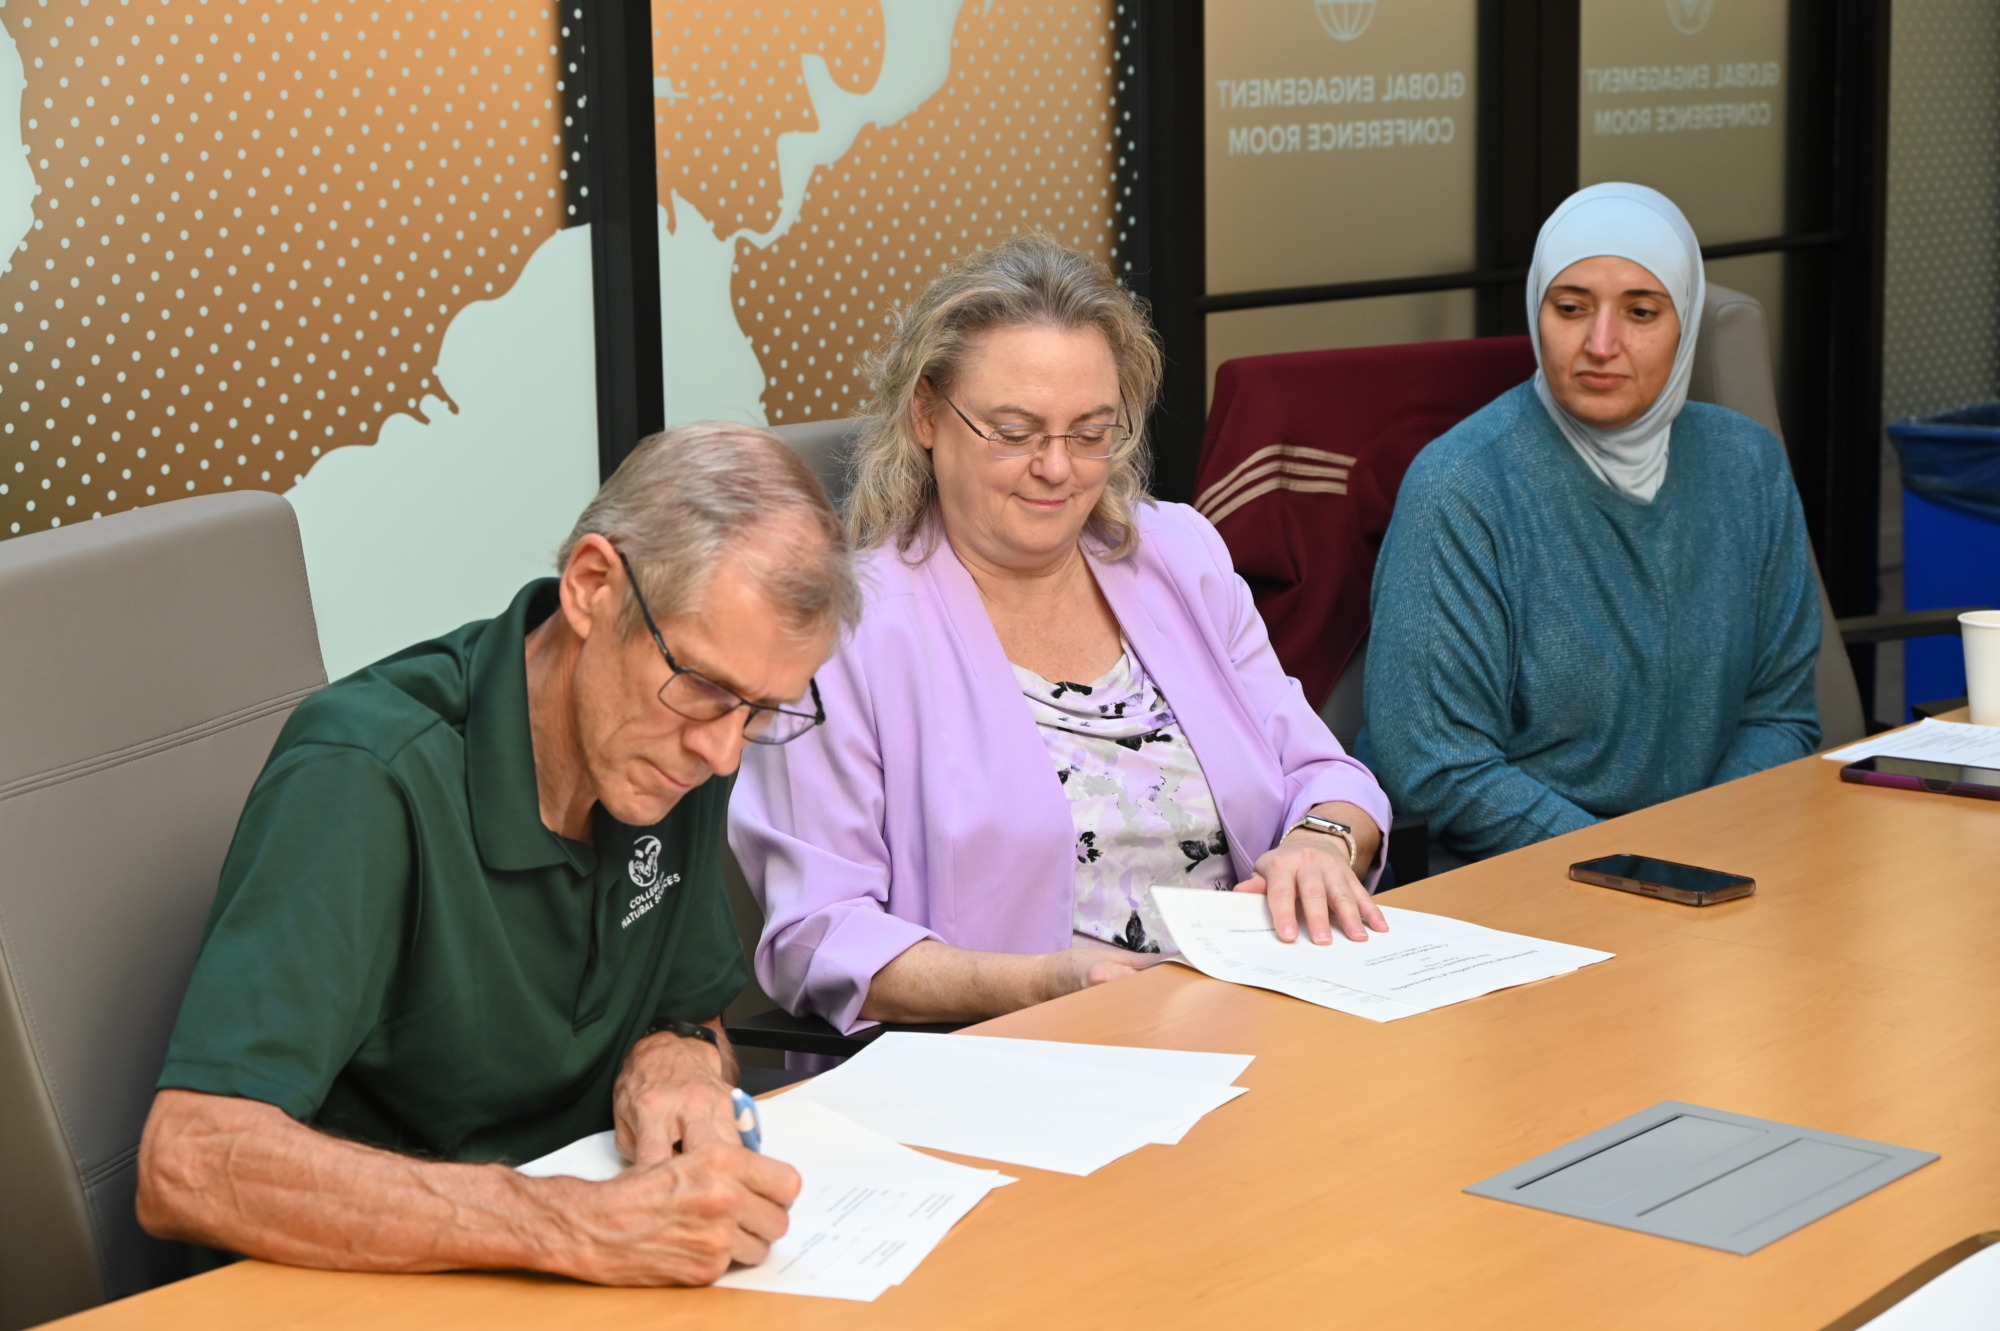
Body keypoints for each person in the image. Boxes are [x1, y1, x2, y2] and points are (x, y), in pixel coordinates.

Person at [136, 423, 860, 1286]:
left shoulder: (673, 742)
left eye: (762, 711)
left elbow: (686, 1006)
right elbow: (189, 1159)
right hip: (349, 1286)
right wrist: (572, 1225)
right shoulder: (368, 777)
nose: (725, 754)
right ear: (592, 586)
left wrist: (680, 1056)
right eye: (704, 687)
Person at [728, 235, 1392, 1037]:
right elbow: (820, 935)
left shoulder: (1176, 554)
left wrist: (1322, 843)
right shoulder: (844, 629)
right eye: (1015, 432)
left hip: (1255, 1017)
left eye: (1090, 432)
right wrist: (1038, 985)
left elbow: (1324, 772)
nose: (1058, 468)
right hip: (1019, 1057)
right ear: (927, 415)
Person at [1361, 183, 1821, 863]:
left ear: (1686, 321)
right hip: (1516, 884)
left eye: (1641, 311)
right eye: (1571, 308)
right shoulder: (1461, 486)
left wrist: (1700, 851)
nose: (1601, 343)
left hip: (1718, 862)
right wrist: (1638, 865)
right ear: (1536, 312)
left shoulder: (1747, 465)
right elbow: (1438, 767)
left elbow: (1781, 715)